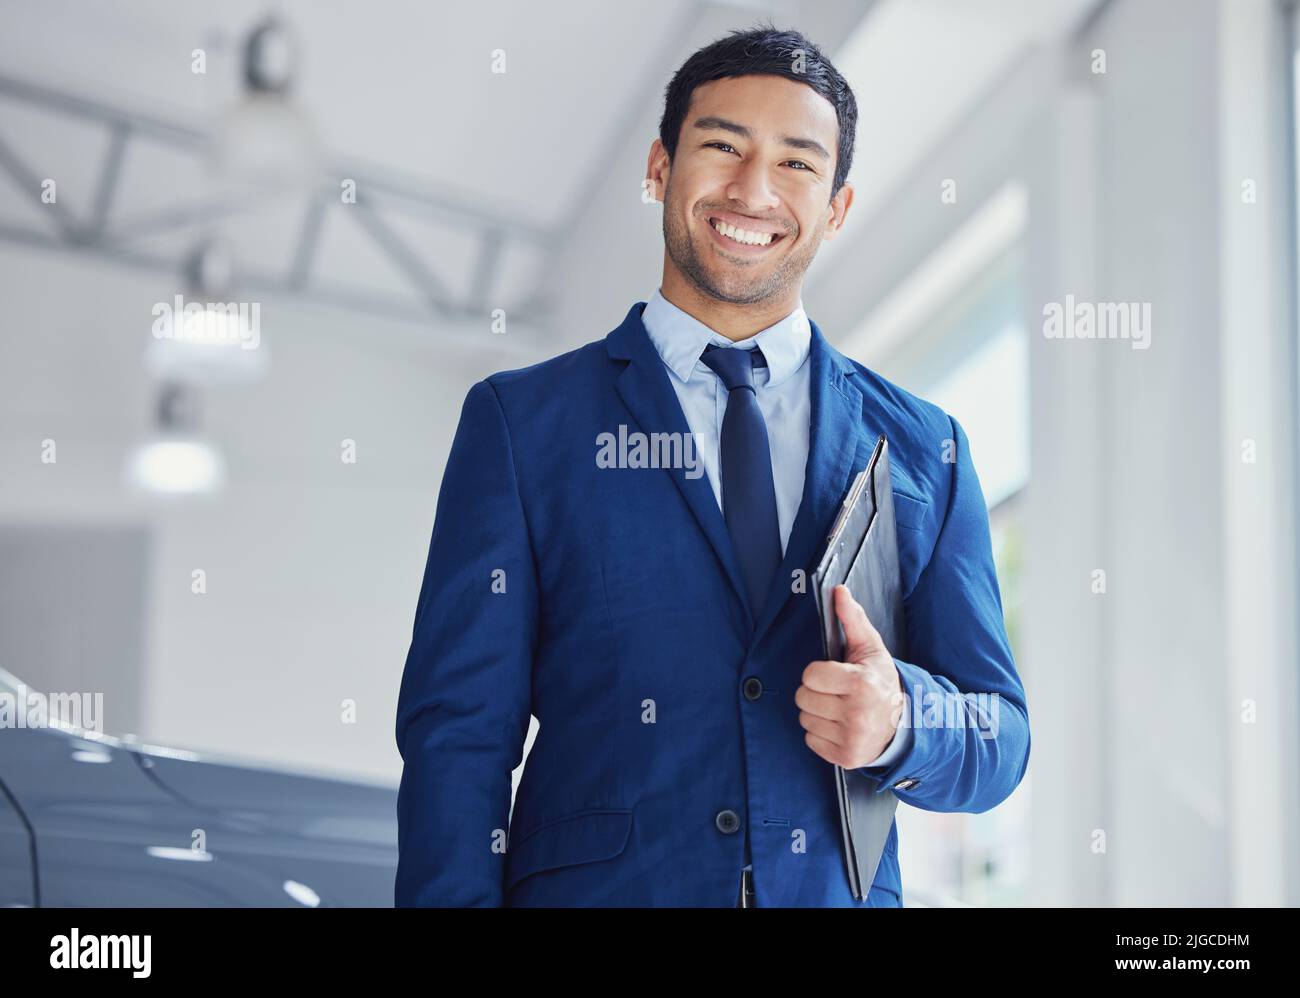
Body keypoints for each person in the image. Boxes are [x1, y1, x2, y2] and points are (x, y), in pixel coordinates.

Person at [394, 24, 1029, 908]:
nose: (753, 190)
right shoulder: (520, 423)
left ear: (838, 208)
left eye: (798, 163)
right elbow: (457, 736)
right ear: (660, 168)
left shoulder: (931, 447)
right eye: (722, 146)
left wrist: (900, 720)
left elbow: (1000, 736)